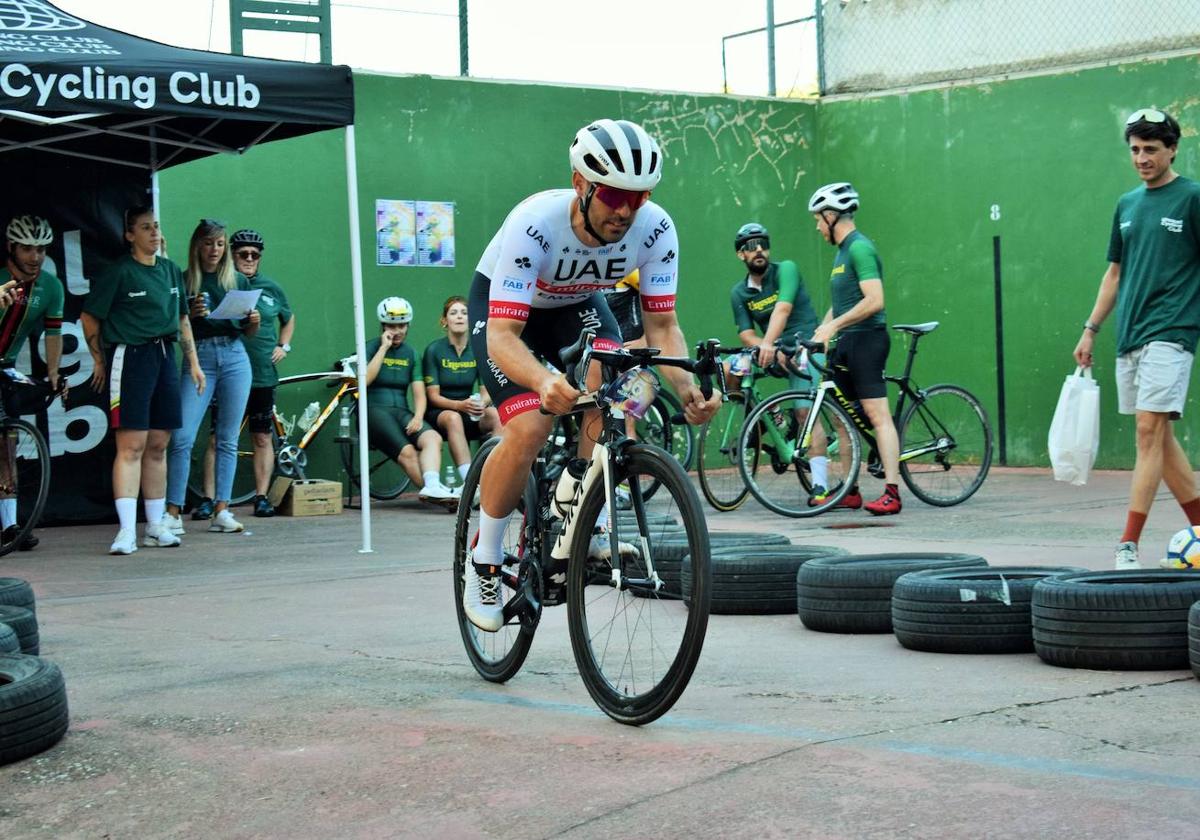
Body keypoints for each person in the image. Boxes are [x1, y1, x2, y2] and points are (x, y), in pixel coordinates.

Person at [462, 118, 721, 632]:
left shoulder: (657, 228)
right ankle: (485, 556)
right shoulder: (534, 224)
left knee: (625, 391)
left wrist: (690, 391)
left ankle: (585, 505)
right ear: (581, 185)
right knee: (530, 427)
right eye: (611, 195)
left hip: (578, 304)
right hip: (508, 314)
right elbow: (503, 338)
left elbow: (663, 327)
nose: (624, 211)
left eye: (637, 197)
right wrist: (542, 382)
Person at [1073, 108, 1200, 570]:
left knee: (1148, 432)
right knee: (1159, 440)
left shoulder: (1192, 199)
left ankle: (1128, 543)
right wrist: (1091, 328)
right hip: (1131, 334)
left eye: (1151, 149)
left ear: (1172, 149)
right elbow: (1114, 273)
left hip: (1173, 330)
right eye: (1135, 150)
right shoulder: (1127, 204)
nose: (1142, 158)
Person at [82, 206, 205, 555]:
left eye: (156, 227)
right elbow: (90, 318)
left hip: (166, 357)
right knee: (131, 445)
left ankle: (155, 526)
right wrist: (98, 360)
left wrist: (193, 363)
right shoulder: (119, 272)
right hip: (130, 358)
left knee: (158, 444)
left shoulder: (169, 271)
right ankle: (126, 531)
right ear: (129, 235)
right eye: (145, 228)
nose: (154, 233)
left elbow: (182, 319)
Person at [808, 182, 902, 516]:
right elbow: (843, 303)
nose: (818, 227)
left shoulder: (859, 248)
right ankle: (851, 489)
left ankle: (892, 491)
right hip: (846, 340)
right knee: (842, 418)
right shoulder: (841, 253)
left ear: (831, 216)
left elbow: (875, 301)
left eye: (819, 220)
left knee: (877, 415)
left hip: (867, 339)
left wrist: (834, 326)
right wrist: (822, 328)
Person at [162, 220, 260, 536]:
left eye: (219, 244)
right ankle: (173, 511)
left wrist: (253, 320)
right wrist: (189, 313)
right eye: (208, 244)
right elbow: (175, 323)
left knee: (228, 437)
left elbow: (249, 332)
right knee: (183, 436)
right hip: (199, 356)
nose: (214, 250)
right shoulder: (185, 279)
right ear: (197, 246)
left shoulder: (238, 281)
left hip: (234, 355)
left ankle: (222, 509)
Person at [727, 222, 830, 503]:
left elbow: (782, 309)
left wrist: (770, 344)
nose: (758, 249)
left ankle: (820, 486)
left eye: (763, 243)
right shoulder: (739, 292)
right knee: (729, 368)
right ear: (741, 255)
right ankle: (757, 423)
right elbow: (746, 334)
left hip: (805, 345)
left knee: (804, 415)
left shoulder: (786, 269)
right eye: (750, 246)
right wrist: (766, 347)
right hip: (772, 348)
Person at [195, 229, 295, 519]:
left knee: (262, 438)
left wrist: (283, 346)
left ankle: (261, 497)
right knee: (218, 438)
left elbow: (289, 318)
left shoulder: (271, 287)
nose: (249, 259)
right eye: (243, 254)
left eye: (255, 255)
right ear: (231, 256)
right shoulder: (222, 284)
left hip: (262, 376)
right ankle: (208, 499)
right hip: (226, 373)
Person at [0, 215, 66, 550]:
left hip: (5, 365)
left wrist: (53, 372)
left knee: (6, 444)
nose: (35, 257)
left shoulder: (51, 287)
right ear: (11, 247)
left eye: (41, 249)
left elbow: (53, 333)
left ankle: (9, 526)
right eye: (27, 248)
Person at [364, 296, 458, 509]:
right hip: (374, 410)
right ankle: (443, 500)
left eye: (402, 325)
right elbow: (365, 380)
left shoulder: (412, 353)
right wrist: (383, 349)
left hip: (401, 412)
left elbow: (419, 393)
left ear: (408, 326)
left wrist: (417, 416)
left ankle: (433, 486)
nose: (397, 331)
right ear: (383, 325)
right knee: (407, 452)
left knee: (432, 436)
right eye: (391, 325)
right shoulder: (371, 347)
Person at [422, 295, 498, 483]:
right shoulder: (434, 350)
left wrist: (481, 403)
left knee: (497, 415)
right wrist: (459, 406)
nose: (459, 317)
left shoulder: (478, 349)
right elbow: (433, 397)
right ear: (444, 320)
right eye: (453, 313)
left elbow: (485, 390)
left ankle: (491, 473)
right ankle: (471, 483)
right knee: (453, 418)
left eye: (464, 313)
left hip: (468, 410)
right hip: (440, 414)